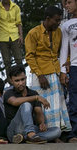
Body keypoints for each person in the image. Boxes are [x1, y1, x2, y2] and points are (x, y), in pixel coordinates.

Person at [25, 5, 71, 133]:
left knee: (57, 105)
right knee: (43, 106)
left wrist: (64, 69)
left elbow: (63, 52)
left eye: (60, 20)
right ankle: (47, 133)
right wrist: (40, 75)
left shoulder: (59, 32)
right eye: (56, 20)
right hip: (40, 75)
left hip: (55, 72)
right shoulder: (33, 33)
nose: (58, 23)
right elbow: (29, 56)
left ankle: (58, 133)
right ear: (47, 18)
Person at [4, 64, 61, 143]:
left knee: (57, 131)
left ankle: (27, 137)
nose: (20, 83)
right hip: (14, 130)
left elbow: (38, 112)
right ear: (11, 81)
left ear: (26, 78)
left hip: (31, 129)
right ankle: (30, 135)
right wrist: (36, 97)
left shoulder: (33, 93)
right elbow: (15, 102)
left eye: (22, 79)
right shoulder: (8, 93)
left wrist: (41, 123)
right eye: (17, 81)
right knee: (26, 104)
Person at [60, 0, 77, 141]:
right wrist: (62, 71)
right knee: (74, 100)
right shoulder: (66, 25)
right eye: (65, 3)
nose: (67, 5)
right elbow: (64, 49)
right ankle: (74, 133)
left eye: (69, 2)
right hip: (75, 66)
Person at [0, 0, 23, 73]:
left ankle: (22, 78)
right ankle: (10, 81)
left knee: (19, 59)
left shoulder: (15, 7)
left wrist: (21, 36)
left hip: (15, 36)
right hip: (3, 37)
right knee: (7, 62)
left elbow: (19, 23)